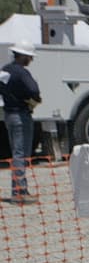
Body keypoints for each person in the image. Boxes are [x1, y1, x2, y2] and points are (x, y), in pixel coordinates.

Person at [2, 40, 41, 204]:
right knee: (21, 154)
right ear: (23, 56)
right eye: (29, 57)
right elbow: (34, 90)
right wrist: (32, 100)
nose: (30, 60)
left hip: (9, 114)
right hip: (21, 115)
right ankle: (19, 193)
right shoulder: (21, 73)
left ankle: (19, 190)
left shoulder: (5, 70)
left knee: (16, 153)